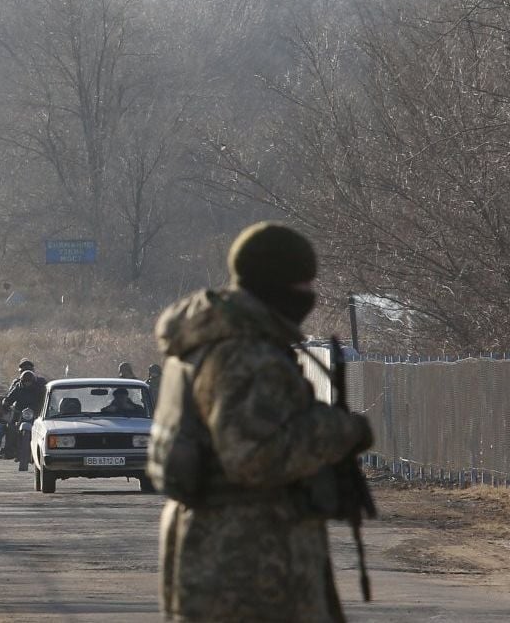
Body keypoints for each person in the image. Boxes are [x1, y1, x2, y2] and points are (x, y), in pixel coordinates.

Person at [148, 222, 372, 621]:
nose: (309, 296)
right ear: (277, 285)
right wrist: (340, 431)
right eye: (302, 284)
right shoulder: (247, 355)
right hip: (249, 563)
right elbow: (252, 456)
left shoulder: (208, 342)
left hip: (221, 551)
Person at [2, 369, 45, 459]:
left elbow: (44, 401)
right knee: (10, 428)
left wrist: (40, 410)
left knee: (42, 431)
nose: (27, 383)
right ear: (22, 381)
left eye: (29, 381)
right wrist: (6, 403)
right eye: (25, 381)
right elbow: (9, 398)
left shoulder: (39, 389)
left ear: (33, 381)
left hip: (34, 413)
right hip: (19, 413)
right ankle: (9, 452)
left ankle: (39, 452)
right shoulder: (18, 388)